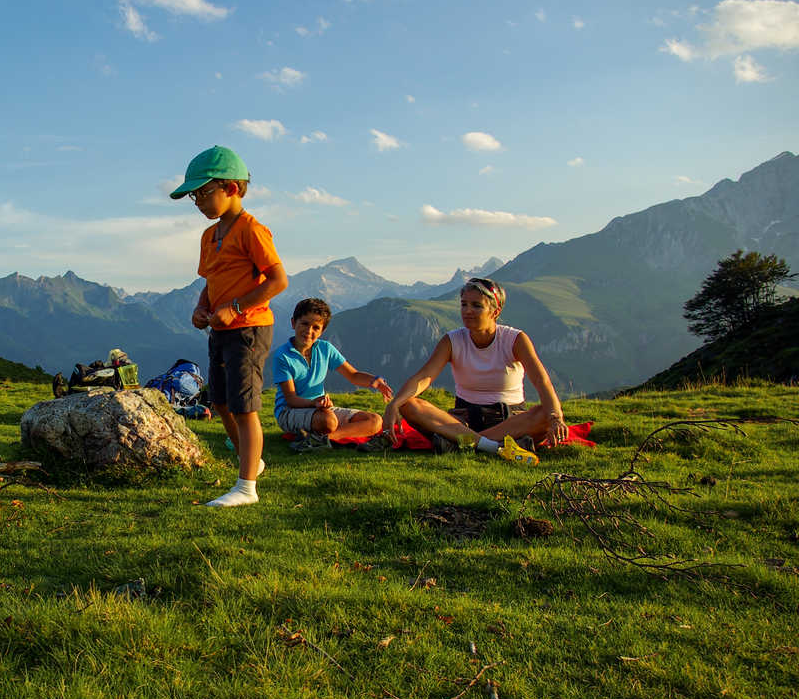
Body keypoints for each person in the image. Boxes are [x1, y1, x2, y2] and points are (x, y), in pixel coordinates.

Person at [171, 145, 288, 507]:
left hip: (249, 330)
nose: (197, 202)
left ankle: (246, 488)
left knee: (244, 405)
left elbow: (278, 280)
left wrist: (235, 307)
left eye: (203, 192)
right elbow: (211, 280)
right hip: (220, 330)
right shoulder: (210, 236)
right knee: (220, 401)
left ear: (232, 188)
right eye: (194, 195)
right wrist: (201, 307)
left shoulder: (252, 230)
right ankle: (251, 461)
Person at [382, 277, 570, 464]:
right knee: (409, 404)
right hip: (463, 420)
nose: (468, 311)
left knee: (544, 414)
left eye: (476, 306)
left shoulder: (515, 339)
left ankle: (460, 443)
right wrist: (394, 404)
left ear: (495, 311)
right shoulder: (452, 340)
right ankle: (496, 447)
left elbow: (541, 380)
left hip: (510, 420)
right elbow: (424, 377)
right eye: (464, 304)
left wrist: (555, 418)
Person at [272, 298, 393, 450]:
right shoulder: (283, 356)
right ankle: (323, 436)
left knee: (375, 421)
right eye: (304, 324)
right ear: (293, 323)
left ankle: (322, 439)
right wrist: (314, 403)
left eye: (316, 327)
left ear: (322, 331)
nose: (309, 331)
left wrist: (374, 381)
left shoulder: (325, 349)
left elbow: (353, 375)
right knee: (328, 421)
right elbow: (290, 399)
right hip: (290, 412)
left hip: (320, 409)